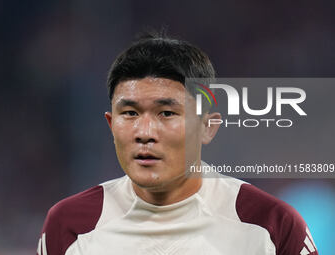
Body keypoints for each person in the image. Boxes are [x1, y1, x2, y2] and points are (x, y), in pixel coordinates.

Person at [37, 33, 318, 255]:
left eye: (167, 113)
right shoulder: (69, 226)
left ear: (208, 127)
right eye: (130, 113)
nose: (144, 132)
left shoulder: (271, 226)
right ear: (111, 125)